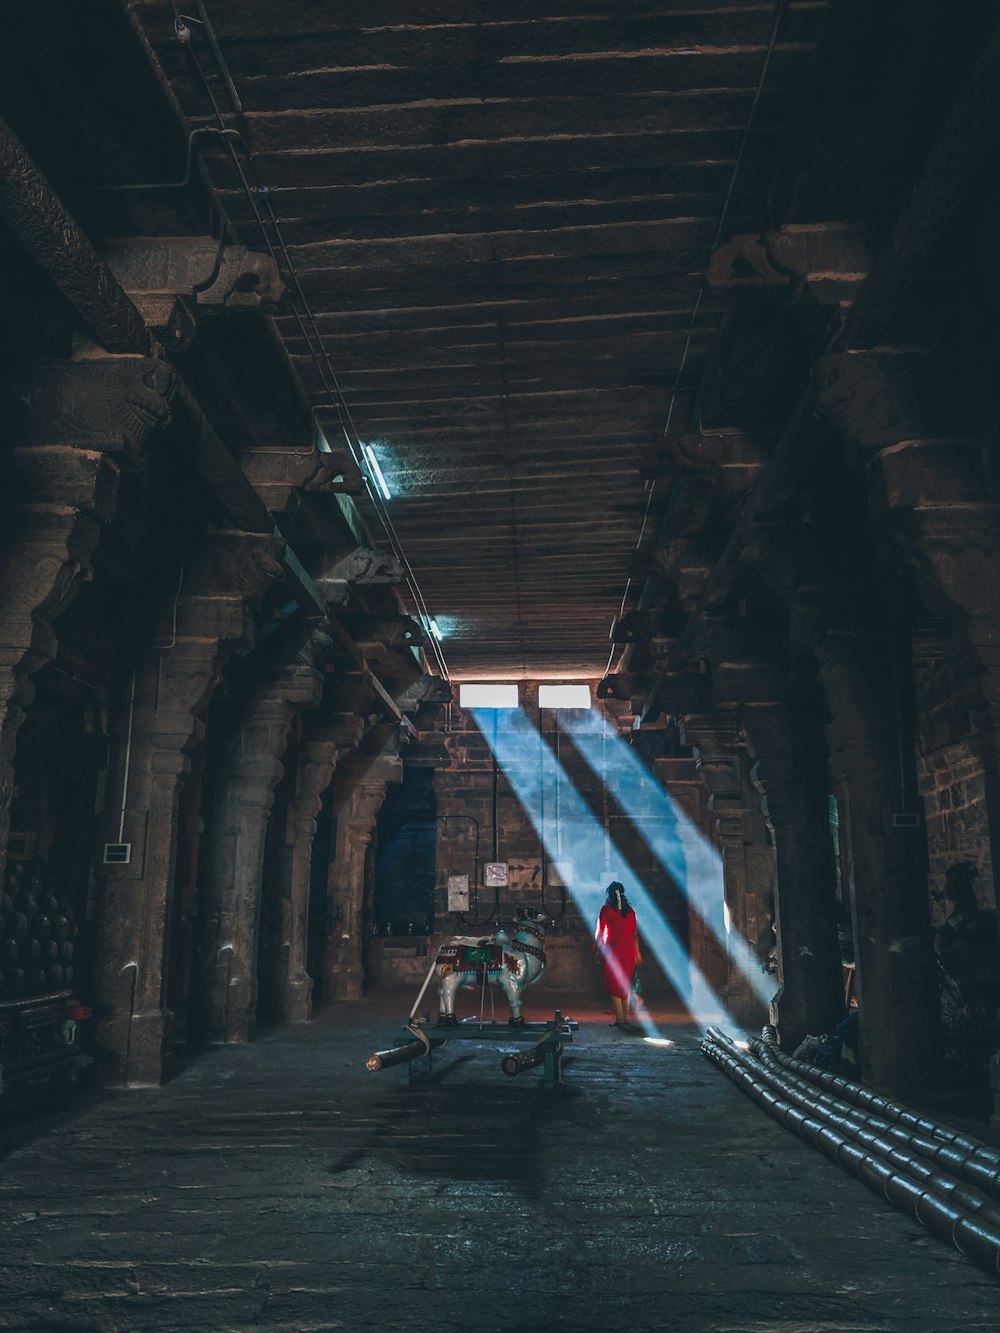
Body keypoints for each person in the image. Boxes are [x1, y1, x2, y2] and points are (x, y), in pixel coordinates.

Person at [595, 881, 642, 1028]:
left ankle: (620, 1018)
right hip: (628, 951)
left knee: (613, 983)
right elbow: (634, 935)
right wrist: (637, 953)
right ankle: (625, 1017)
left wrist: (597, 950)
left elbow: (600, 933)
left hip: (613, 951)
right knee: (625, 984)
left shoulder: (606, 910)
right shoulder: (631, 911)